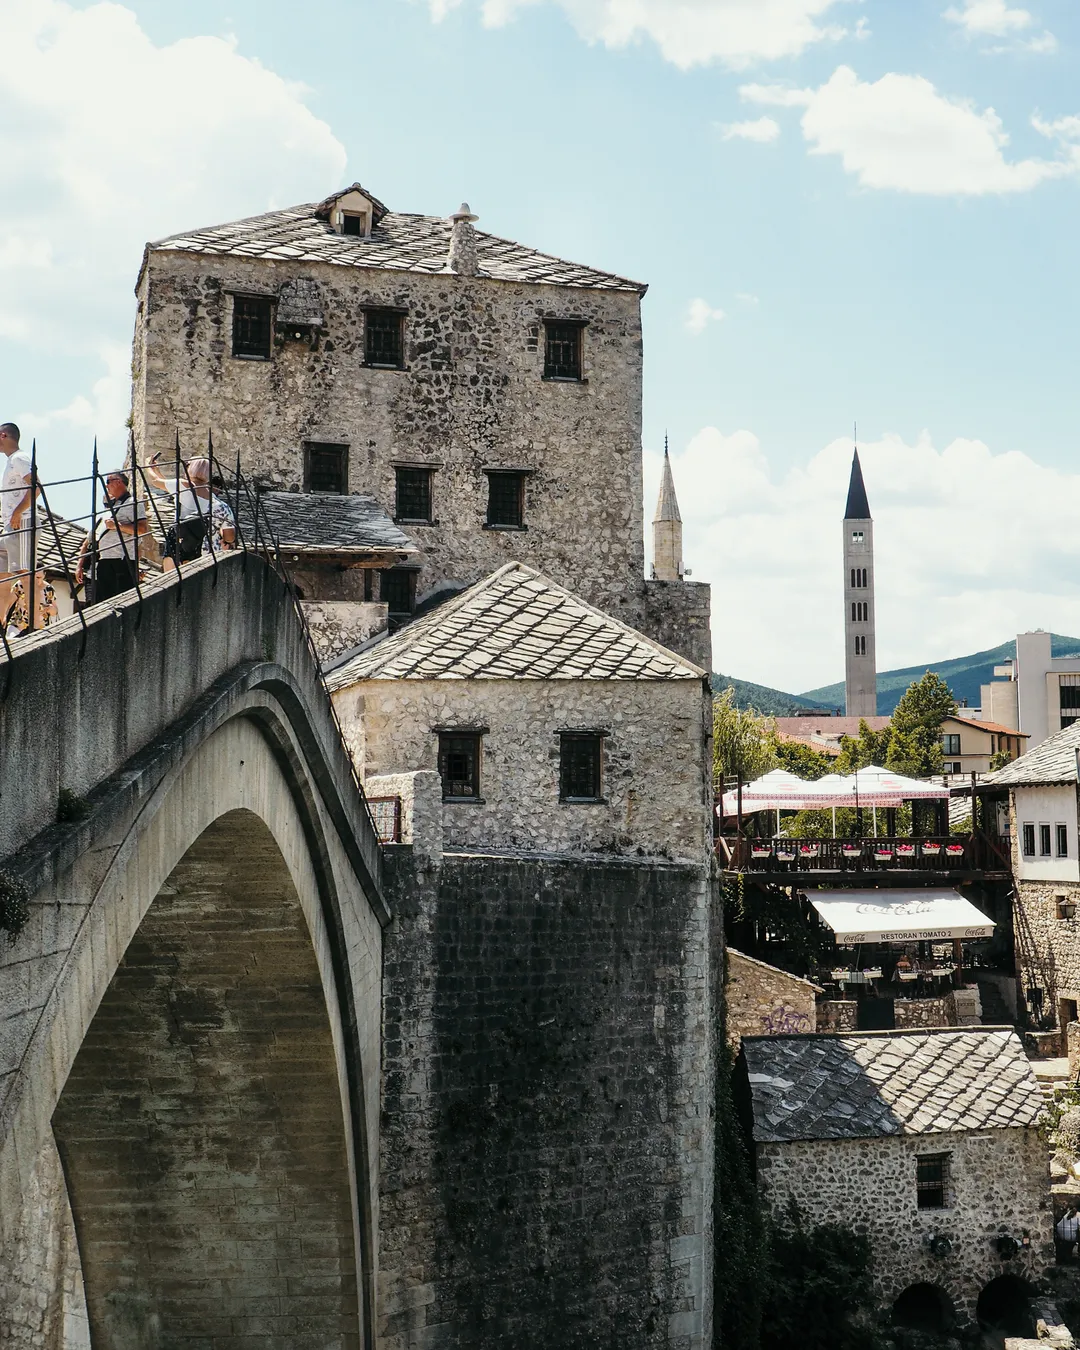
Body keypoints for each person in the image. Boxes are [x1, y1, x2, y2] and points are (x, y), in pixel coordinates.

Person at [75, 471, 148, 603]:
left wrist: (117, 526)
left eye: (108, 482)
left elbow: (142, 529)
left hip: (122, 561)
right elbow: (88, 542)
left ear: (118, 482)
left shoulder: (133, 502)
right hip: (104, 562)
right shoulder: (108, 512)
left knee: (121, 602)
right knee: (103, 605)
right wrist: (80, 565)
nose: (106, 486)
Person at [0, 423, 37, 619]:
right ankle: (2, 621)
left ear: (3, 435)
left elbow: (37, 487)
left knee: (24, 571)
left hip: (22, 521)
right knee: (4, 572)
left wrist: (17, 512)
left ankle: (34, 620)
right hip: (11, 524)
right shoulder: (12, 461)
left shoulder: (19, 458)